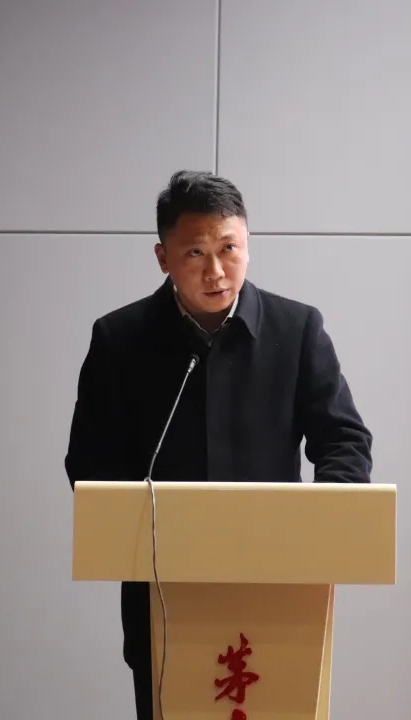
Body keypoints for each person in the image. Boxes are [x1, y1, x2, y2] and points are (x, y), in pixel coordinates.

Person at [64, 170, 372, 720]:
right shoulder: (120, 339)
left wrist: (323, 522)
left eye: (229, 249)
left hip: (278, 581)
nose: (216, 271)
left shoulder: (295, 329)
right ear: (162, 257)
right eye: (195, 253)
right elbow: (90, 460)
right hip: (163, 588)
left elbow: (344, 439)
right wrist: (140, 524)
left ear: (248, 243)